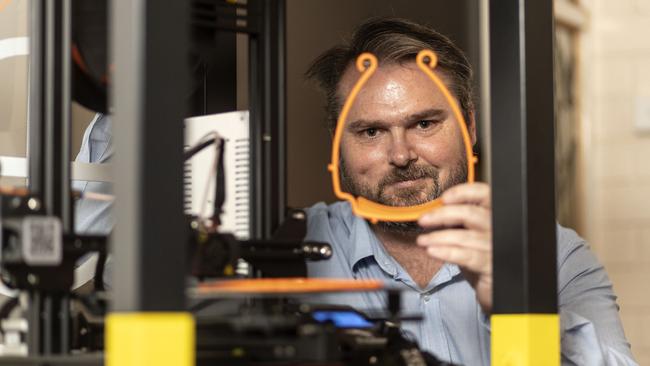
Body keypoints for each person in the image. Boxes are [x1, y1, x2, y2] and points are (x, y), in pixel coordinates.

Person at [304, 17, 636, 365]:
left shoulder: (555, 257)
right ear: (338, 144)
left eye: (424, 124)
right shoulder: (300, 246)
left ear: (470, 126)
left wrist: (520, 304)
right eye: (371, 131)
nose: (401, 155)